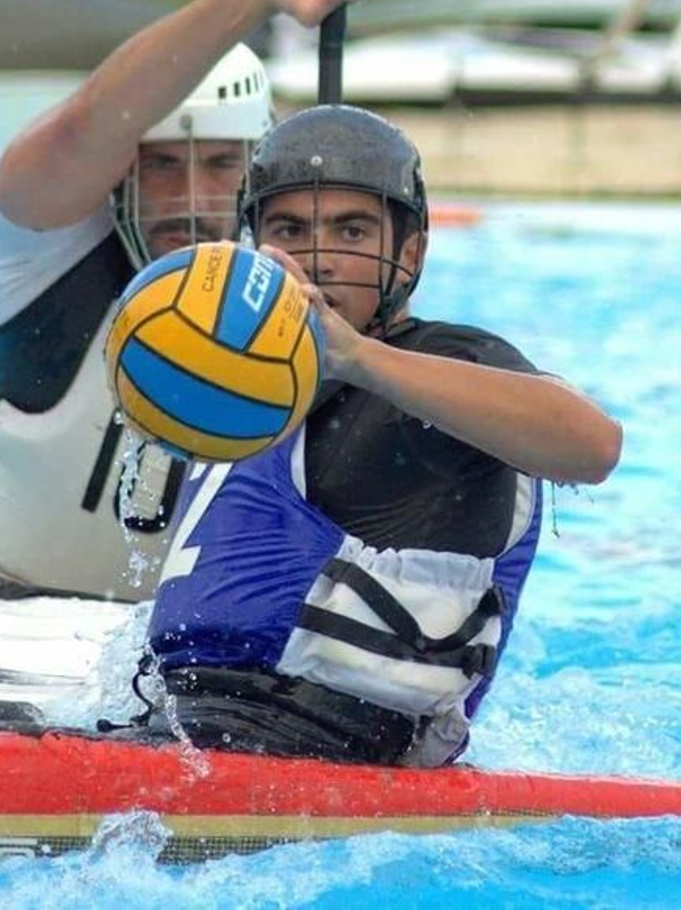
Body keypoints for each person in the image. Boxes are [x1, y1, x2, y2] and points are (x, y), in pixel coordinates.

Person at [146, 105, 622, 767]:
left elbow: (592, 445)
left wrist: (357, 358)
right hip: (194, 727)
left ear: (409, 251)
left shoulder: (443, 360)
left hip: (334, 752)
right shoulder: (244, 391)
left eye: (351, 230)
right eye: (291, 227)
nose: (321, 257)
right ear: (258, 245)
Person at [0, 0, 373, 603]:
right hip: (17, 615)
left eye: (223, 163)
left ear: (259, 171)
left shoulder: (318, 298)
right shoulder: (42, 254)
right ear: (120, 171)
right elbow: (85, 126)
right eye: (164, 166)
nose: (194, 201)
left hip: (201, 658)